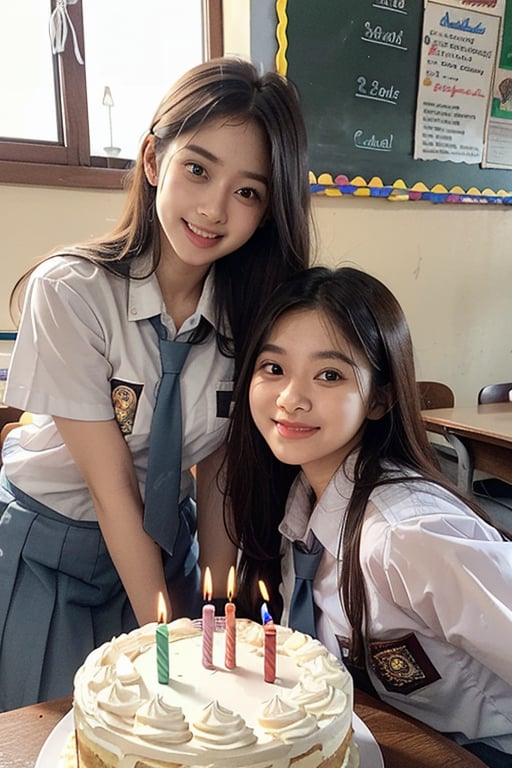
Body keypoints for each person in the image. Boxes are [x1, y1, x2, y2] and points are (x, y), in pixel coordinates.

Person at [0, 56, 312, 710]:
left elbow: (220, 475)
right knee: (64, 736)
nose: (214, 209)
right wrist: (168, 640)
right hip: (48, 553)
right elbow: (112, 491)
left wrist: (213, 612)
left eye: (248, 191)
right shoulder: (71, 292)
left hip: (167, 546)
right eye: (197, 169)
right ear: (152, 160)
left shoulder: (252, 316)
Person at [223, 266, 512, 768]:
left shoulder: (406, 536)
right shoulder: (295, 514)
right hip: (380, 741)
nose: (291, 398)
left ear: (379, 398)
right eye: (273, 368)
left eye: (329, 374)